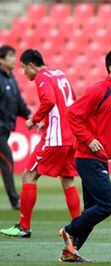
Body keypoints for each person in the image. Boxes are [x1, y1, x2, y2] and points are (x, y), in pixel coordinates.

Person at [59, 49, 111, 262]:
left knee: (92, 209)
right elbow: (72, 114)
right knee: (109, 204)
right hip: (87, 158)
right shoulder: (98, 90)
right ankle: (69, 230)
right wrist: (88, 139)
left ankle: (71, 251)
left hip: (100, 158)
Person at [0, 49, 81, 238]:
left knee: (28, 176)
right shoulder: (59, 73)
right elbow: (72, 103)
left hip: (56, 137)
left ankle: (24, 226)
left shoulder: (42, 77)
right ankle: (78, 227)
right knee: (67, 179)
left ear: (30, 65)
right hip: (71, 136)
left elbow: (49, 101)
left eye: (23, 68)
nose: (23, 72)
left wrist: (34, 119)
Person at [0, 45, 31, 210]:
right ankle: (15, 201)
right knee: (8, 162)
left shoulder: (11, 78)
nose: (14, 59)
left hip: (5, 130)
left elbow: (20, 103)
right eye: (10, 56)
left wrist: (32, 117)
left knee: (7, 162)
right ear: (1, 60)